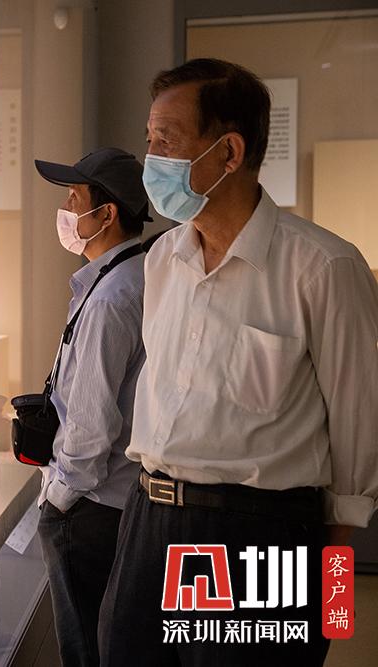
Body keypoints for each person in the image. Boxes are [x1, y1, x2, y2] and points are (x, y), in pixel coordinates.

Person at [98, 58, 378, 667]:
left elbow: (361, 435)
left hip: (257, 535)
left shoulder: (323, 268)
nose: (150, 159)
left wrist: (331, 599)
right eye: (149, 140)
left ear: (228, 152)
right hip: (149, 519)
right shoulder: (162, 260)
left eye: (166, 141)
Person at [32, 147, 151, 667]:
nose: (65, 211)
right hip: (121, 499)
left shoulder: (111, 296)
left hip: (92, 507)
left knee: (85, 647)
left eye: (74, 199)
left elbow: (92, 419)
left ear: (106, 215)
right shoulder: (134, 276)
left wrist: (60, 498)